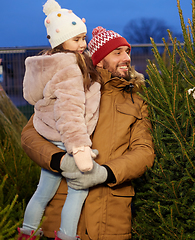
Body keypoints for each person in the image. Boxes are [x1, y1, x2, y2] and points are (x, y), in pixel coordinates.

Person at [21, 24, 155, 240]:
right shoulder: (73, 85)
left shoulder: (136, 102)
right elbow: (30, 135)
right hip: (59, 221)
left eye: (128, 52)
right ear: (99, 60)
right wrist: (60, 161)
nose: (127, 58)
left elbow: (144, 152)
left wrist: (105, 173)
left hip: (109, 221)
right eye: (118, 53)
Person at [18, 0, 101, 239]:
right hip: (68, 138)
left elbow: (31, 96)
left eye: (83, 38)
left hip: (49, 134)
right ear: (60, 41)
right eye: (76, 40)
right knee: (79, 188)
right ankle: (66, 235)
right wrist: (79, 148)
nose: (82, 45)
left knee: (43, 191)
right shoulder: (70, 67)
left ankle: (28, 231)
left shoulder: (45, 63)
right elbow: (70, 109)